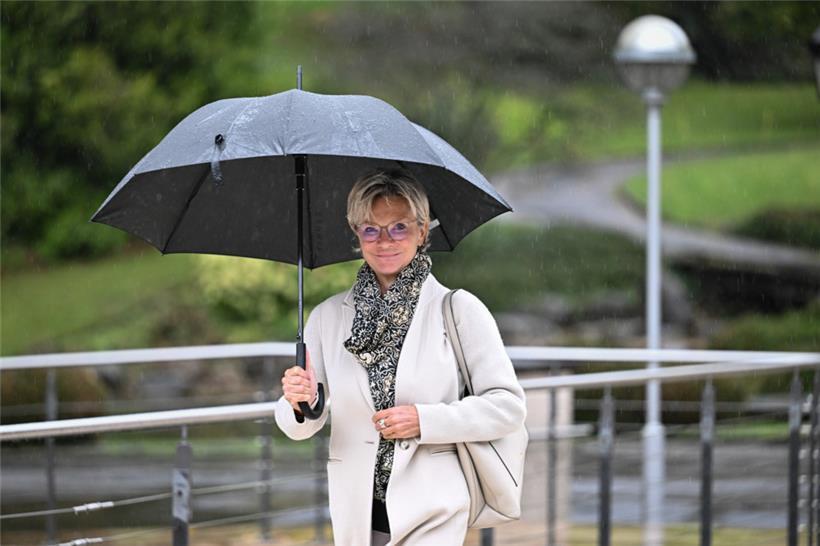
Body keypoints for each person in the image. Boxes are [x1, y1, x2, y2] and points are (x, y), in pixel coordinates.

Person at [275, 168, 526, 546]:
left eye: (400, 227)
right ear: (356, 234)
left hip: (434, 507)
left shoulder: (458, 309)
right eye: (371, 229)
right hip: (356, 510)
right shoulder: (326, 318)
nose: (384, 241)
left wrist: (423, 420)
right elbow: (303, 424)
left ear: (423, 232)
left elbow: (508, 408)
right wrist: (299, 401)